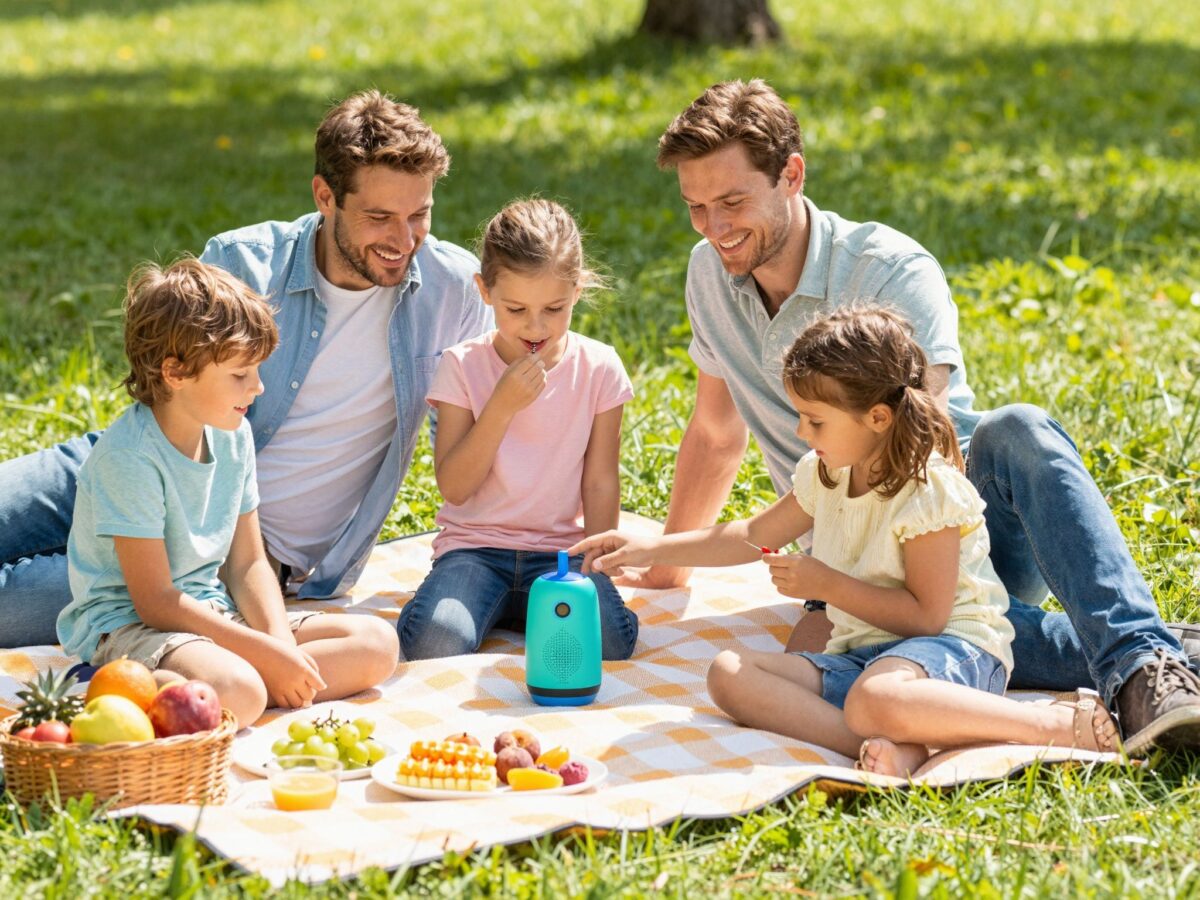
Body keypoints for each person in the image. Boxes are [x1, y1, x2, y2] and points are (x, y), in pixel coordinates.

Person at [630, 78, 1200, 754]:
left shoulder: (890, 269)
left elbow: (921, 447)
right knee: (820, 674)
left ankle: (1142, 669)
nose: (715, 228)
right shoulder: (708, 274)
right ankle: (1168, 648)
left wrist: (848, 589)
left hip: (948, 532)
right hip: (841, 546)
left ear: (791, 175)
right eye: (696, 207)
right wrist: (668, 568)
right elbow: (716, 430)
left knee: (1015, 430)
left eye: (731, 202)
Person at [0, 89, 491, 649]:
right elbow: (169, 384)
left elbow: (471, 446)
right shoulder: (244, 261)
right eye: (379, 217)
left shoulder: (455, 291)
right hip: (124, 465)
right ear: (325, 196)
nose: (404, 241)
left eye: (419, 215)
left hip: (212, 562)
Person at [572, 308, 1119, 775]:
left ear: (877, 417)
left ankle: (1053, 725)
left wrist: (824, 583)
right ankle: (881, 747)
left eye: (815, 420)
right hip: (862, 654)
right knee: (730, 672)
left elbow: (927, 618)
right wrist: (649, 548)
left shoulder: (928, 491)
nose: (801, 435)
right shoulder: (825, 472)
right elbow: (749, 537)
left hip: (951, 649)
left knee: (877, 697)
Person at [56, 259, 398, 727]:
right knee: (242, 692)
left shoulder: (232, 434)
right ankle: (119, 683)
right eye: (240, 375)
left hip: (212, 613)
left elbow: (248, 563)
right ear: (174, 372)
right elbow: (154, 600)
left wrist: (277, 644)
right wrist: (266, 654)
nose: (257, 387)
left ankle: (246, 681)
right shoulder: (129, 458)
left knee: (378, 645)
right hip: (131, 625)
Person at [397, 199, 639, 660]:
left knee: (609, 642)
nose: (535, 326)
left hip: (561, 555)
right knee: (434, 642)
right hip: (475, 550)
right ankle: (494, 610)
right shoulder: (462, 365)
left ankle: (529, 612)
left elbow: (600, 478)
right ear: (484, 291)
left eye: (554, 308)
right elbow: (455, 487)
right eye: (515, 308)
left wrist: (597, 564)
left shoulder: (599, 366)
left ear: (578, 290)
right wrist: (501, 407)